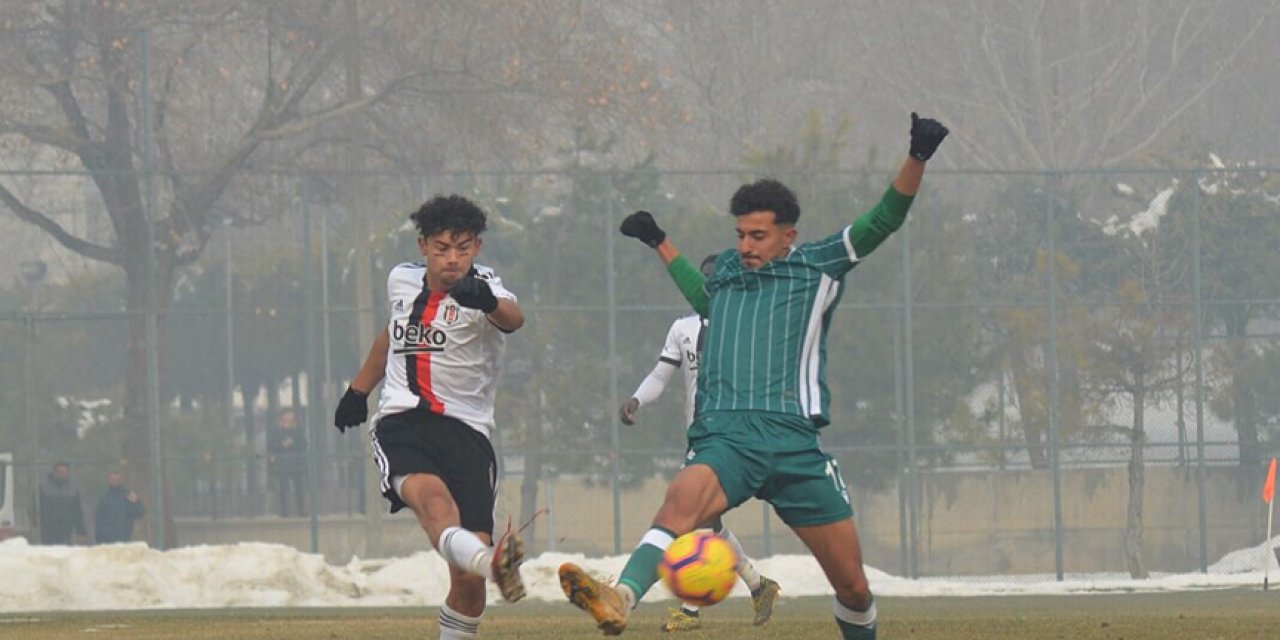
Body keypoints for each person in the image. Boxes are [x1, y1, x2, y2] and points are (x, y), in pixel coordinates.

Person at [560, 113, 949, 638]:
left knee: (854, 587)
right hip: (728, 436)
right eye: (741, 234)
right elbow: (704, 298)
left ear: (788, 235)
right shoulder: (727, 276)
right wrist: (661, 243)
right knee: (680, 500)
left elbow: (883, 219)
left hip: (794, 444)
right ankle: (622, 596)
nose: (746, 246)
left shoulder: (818, 266)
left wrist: (916, 158)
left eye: (759, 235)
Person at [334, 194, 528, 640]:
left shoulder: (488, 290)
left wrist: (484, 300)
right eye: (442, 248)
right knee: (434, 502)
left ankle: (483, 564)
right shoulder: (401, 280)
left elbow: (514, 319)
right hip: (404, 424)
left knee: (467, 582)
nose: (452, 260)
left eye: (463, 248)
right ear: (423, 246)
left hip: (468, 434)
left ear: (477, 247)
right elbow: (392, 332)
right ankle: (490, 559)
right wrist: (358, 390)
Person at [619, 253, 781, 632]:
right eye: (706, 281)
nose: (712, 288)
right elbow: (661, 375)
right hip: (701, 435)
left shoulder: (750, 327)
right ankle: (757, 586)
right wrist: (637, 399)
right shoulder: (683, 329)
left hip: (738, 438)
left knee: (688, 518)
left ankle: (676, 605)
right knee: (704, 521)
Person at [269, 409, 307, 517]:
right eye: (287, 415)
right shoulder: (277, 430)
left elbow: (304, 443)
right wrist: (282, 445)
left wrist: (293, 443)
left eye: (291, 415)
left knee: (299, 487)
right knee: (283, 488)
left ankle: (301, 510)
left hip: (296, 462)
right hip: (283, 462)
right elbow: (272, 445)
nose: (290, 417)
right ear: (283, 416)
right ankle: (284, 511)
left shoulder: (298, 428)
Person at [38, 461, 86, 545]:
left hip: (66, 532)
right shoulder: (44, 489)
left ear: (68, 473)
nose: (62, 475)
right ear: (54, 473)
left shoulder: (73, 491)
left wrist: (80, 531)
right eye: (59, 472)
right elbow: (38, 510)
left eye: (64, 472)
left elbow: (78, 512)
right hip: (48, 532)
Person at [94, 471, 145, 544]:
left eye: (117, 480)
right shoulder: (103, 497)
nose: (115, 482)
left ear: (121, 481)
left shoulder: (128, 495)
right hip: (105, 540)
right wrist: (98, 536)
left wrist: (136, 502)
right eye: (112, 480)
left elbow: (140, 513)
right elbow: (98, 518)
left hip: (123, 539)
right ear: (108, 480)